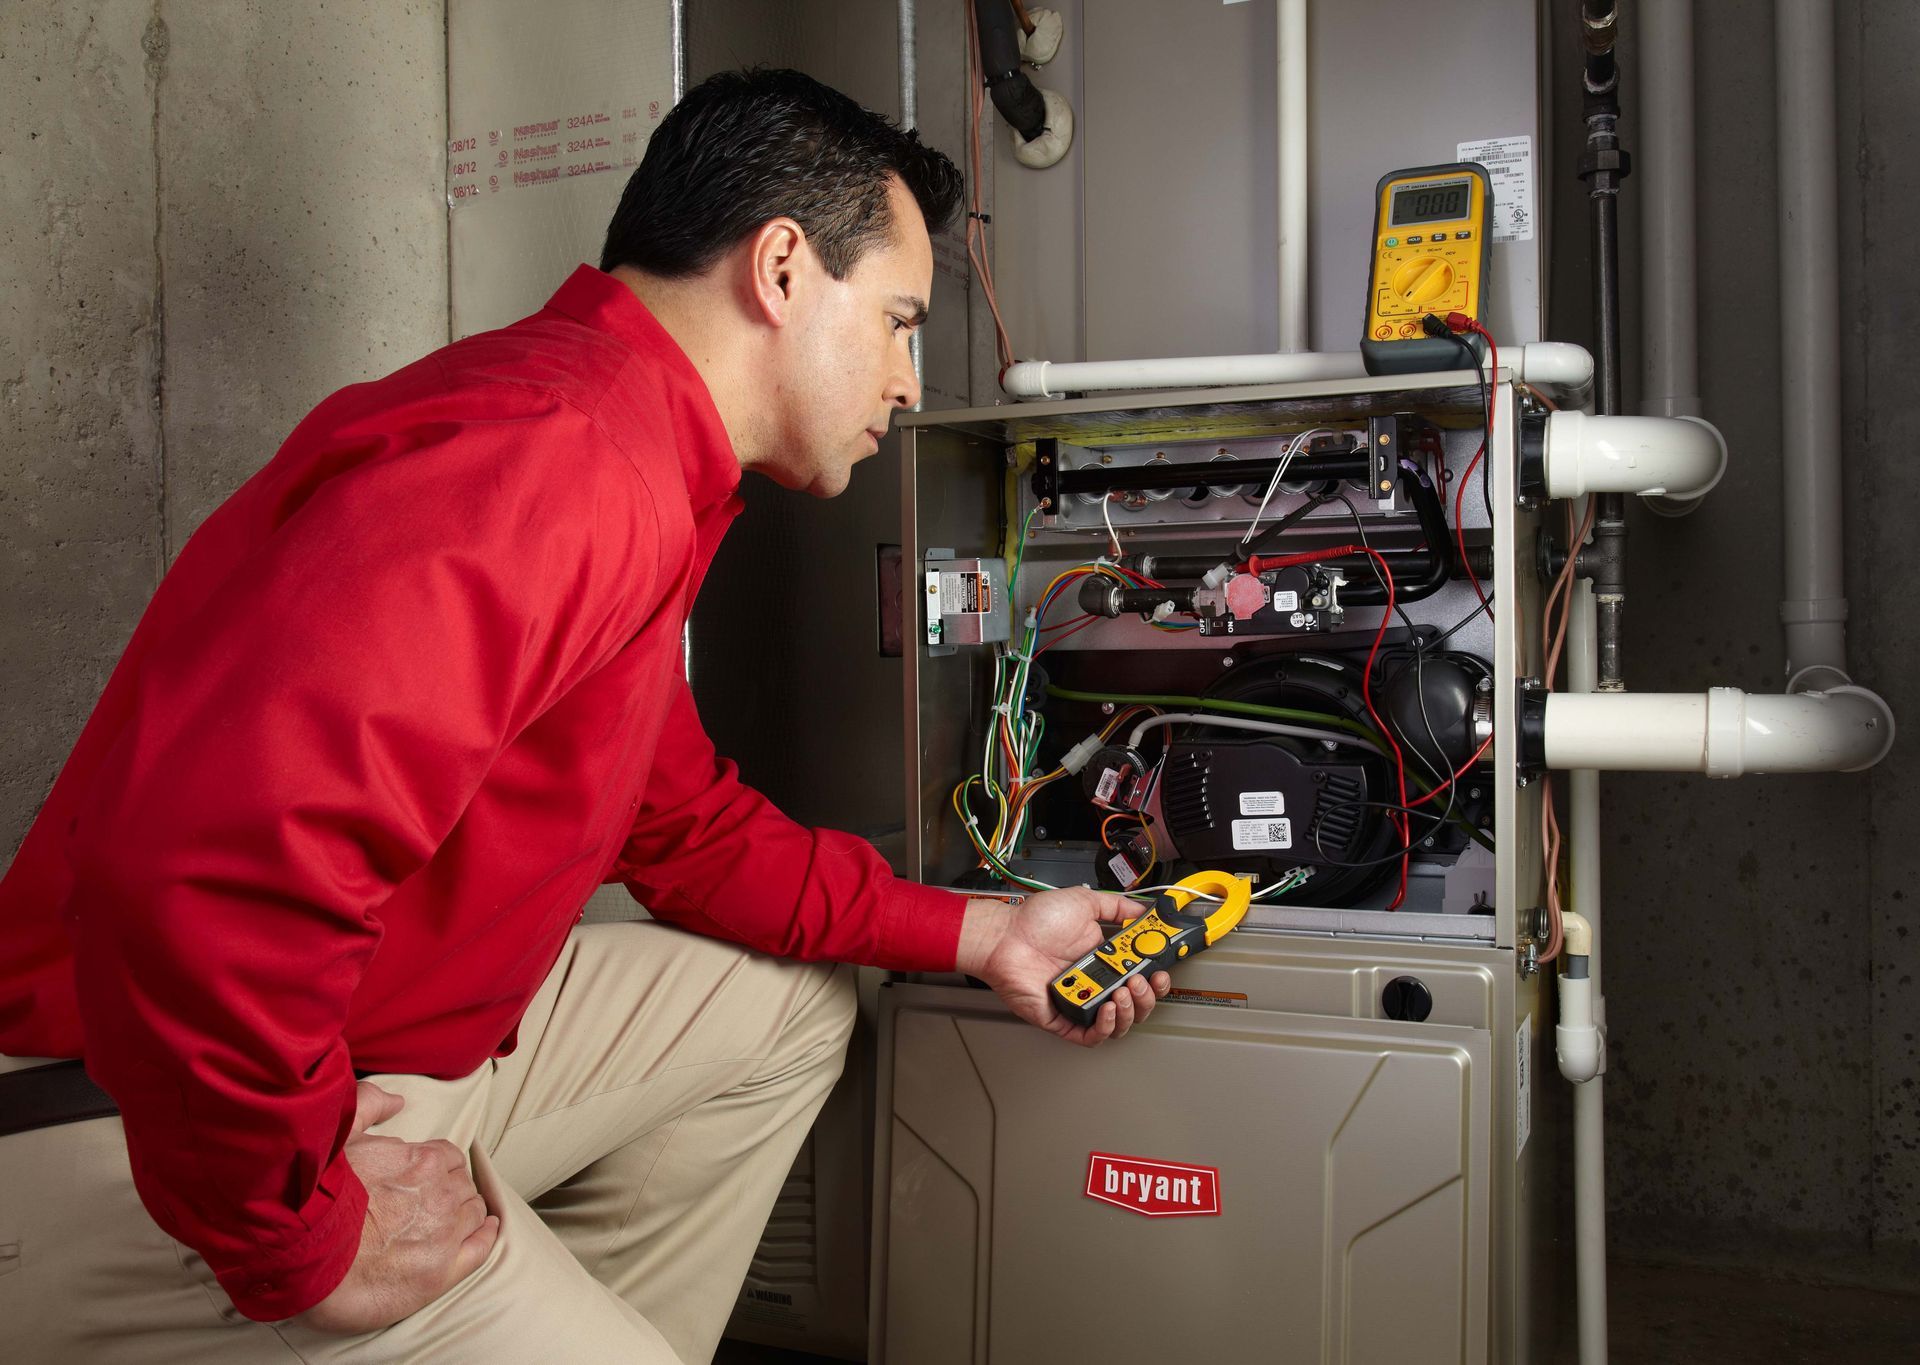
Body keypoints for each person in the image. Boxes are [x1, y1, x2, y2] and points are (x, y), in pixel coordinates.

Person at [0, 68, 1168, 1363]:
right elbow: (204, 870)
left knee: (788, 1011)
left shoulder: (625, 460)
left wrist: (986, 928)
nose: (906, 382)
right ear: (781, 269)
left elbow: (688, 831)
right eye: (898, 321)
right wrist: (305, 1238)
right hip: (137, 1131)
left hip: (390, 1049)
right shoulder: (554, 461)